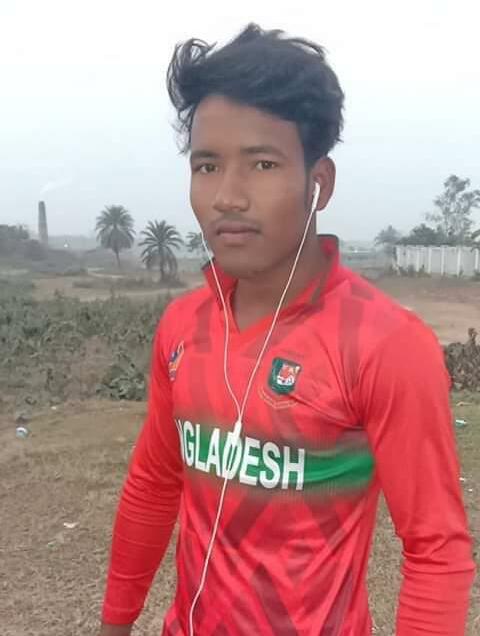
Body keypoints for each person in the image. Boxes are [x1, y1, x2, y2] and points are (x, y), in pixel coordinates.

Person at [99, 24, 475, 636]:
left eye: (263, 163)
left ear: (318, 183)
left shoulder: (384, 343)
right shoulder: (182, 326)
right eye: (207, 165)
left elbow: (436, 550)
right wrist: (117, 621)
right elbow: (153, 483)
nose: (227, 196)